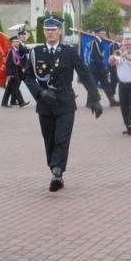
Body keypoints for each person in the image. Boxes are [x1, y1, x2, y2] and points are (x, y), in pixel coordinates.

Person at [25, 17, 101, 191]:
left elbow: (85, 73)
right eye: (47, 30)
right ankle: (54, 168)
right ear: (44, 31)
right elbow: (28, 78)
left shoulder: (69, 52)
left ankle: (57, 172)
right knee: (49, 139)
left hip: (65, 101)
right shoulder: (36, 52)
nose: (50, 33)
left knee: (62, 138)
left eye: (54, 29)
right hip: (45, 103)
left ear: (60, 31)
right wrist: (40, 93)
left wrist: (95, 98)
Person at [2, 31, 28, 108]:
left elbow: (17, 62)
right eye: (16, 42)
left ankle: (4, 102)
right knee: (16, 88)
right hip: (13, 73)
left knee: (9, 89)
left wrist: (22, 68)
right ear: (12, 43)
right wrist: (9, 74)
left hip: (15, 71)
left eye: (18, 42)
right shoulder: (11, 51)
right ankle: (21, 102)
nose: (18, 43)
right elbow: (8, 63)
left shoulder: (15, 50)